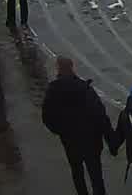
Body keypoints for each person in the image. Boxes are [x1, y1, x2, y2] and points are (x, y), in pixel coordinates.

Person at [42, 56, 112, 195]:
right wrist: (110, 139)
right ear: (72, 67)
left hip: (70, 141)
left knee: (77, 173)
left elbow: (47, 118)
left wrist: (61, 131)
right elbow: (100, 115)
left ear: (58, 69)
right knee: (96, 175)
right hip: (91, 140)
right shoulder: (85, 89)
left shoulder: (53, 91)